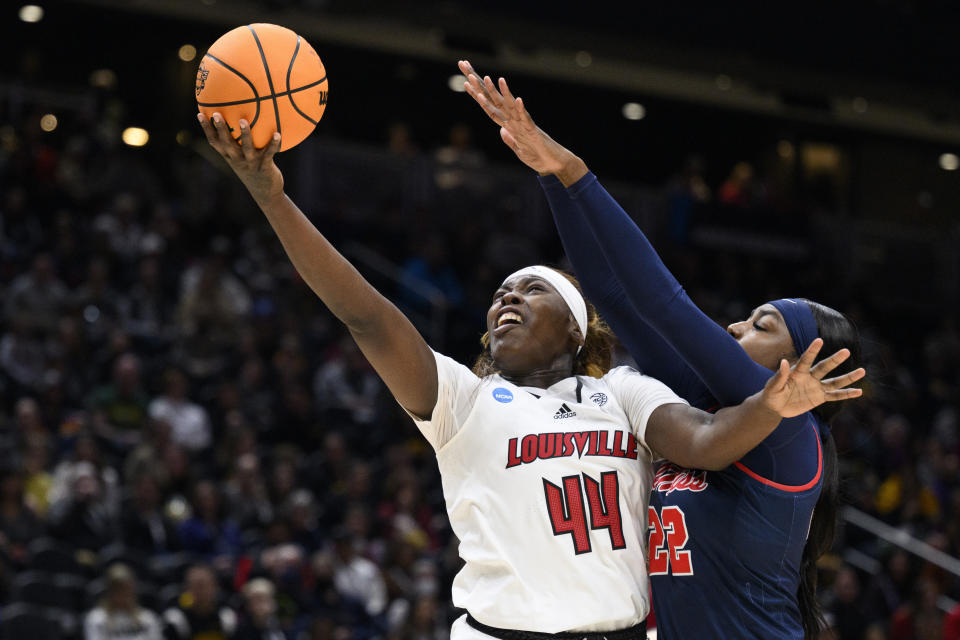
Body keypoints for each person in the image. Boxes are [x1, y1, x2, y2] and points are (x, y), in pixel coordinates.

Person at [196, 110, 863, 639]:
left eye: (531, 288)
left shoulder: (633, 393)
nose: (506, 297)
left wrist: (570, 172)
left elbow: (665, 332)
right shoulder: (466, 398)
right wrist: (273, 199)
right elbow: (369, 318)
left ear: (576, 329)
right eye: (499, 293)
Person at [457, 60, 867, 640]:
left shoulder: (787, 433)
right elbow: (614, 296)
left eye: (761, 325)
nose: (733, 327)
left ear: (796, 364)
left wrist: (574, 171)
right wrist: (548, 175)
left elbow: (664, 301)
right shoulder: (701, 401)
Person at [84, 563, 164, 640]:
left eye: (128, 591)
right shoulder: (97, 619)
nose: (125, 596)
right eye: (120, 591)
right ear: (110, 592)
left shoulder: (147, 618)